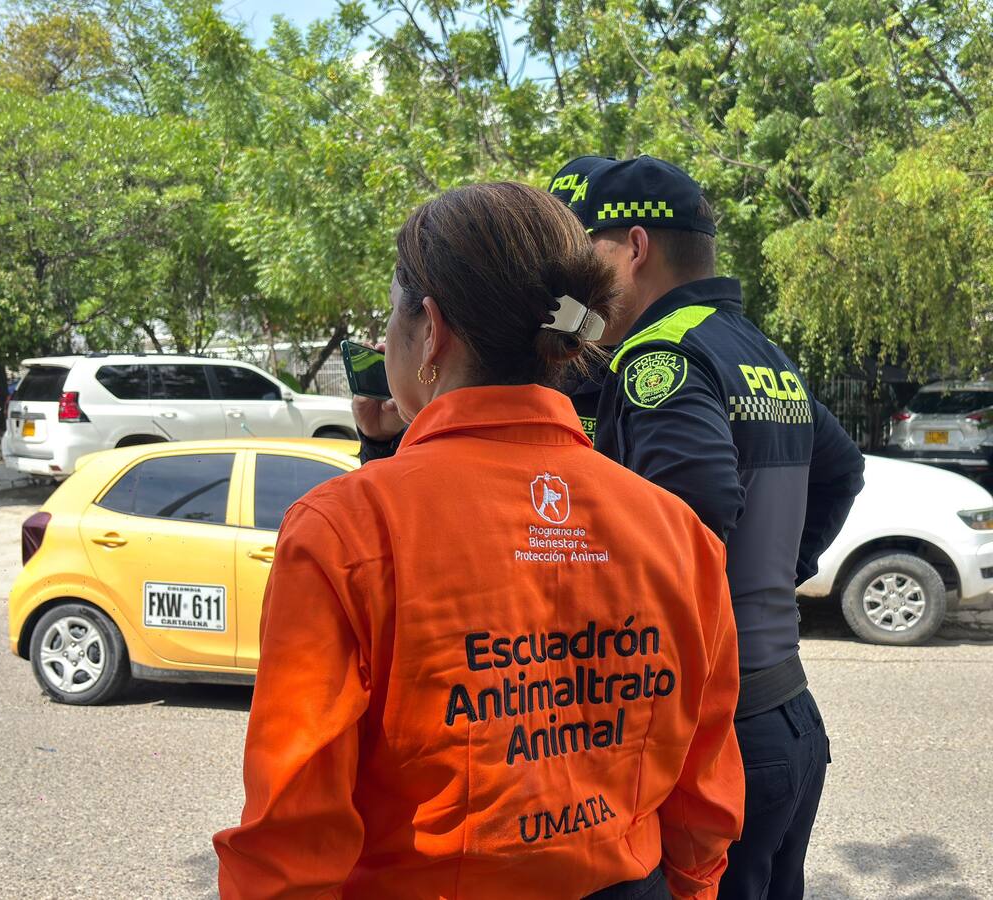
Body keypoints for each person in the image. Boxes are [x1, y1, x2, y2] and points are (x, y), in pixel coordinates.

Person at [214, 182, 744, 899]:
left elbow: (291, 834)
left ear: (430, 329)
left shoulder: (344, 530)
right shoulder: (678, 533)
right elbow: (704, 786)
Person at [541, 156, 866, 900]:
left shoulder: (661, 354)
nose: (575, 285)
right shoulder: (759, 351)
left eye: (586, 251)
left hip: (718, 734)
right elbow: (841, 468)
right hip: (788, 716)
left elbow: (694, 514)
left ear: (634, 247)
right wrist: (769, 576)